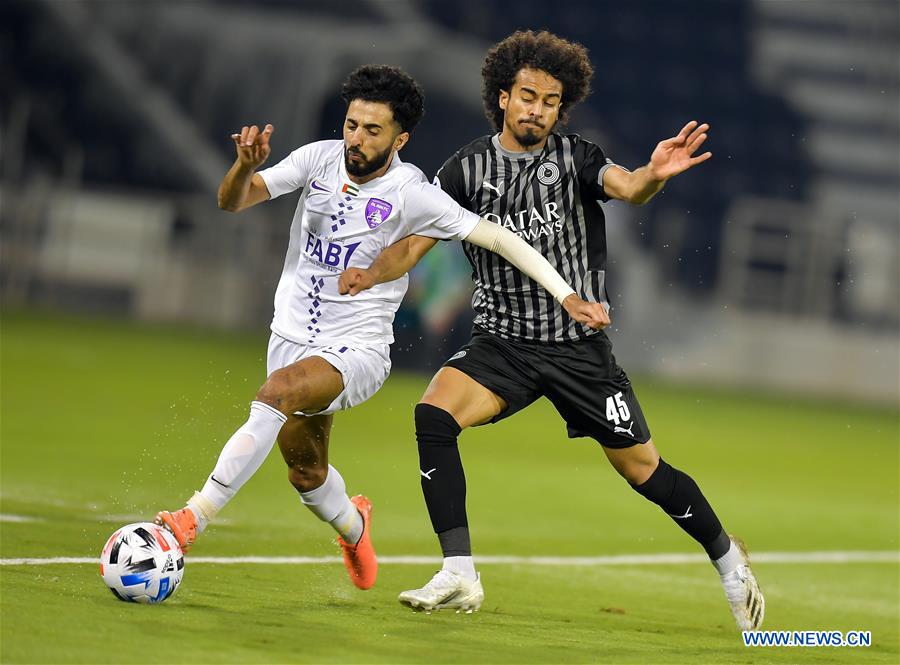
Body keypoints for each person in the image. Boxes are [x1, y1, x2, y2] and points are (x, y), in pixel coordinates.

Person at [339, 32, 764, 629]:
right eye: (528, 96)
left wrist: (655, 174)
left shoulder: (577, 157)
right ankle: (458, 571)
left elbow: (631, 188)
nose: (538, 109)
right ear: (504, 97)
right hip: (502, 344)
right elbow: (414, 245)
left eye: (551, 100)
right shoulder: (464, 169)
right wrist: (368, 273)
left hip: (578, 349)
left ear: (562, 108)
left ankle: (729, 561)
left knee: (643, 471)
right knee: (433, 415)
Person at [154, 64, 609, 592]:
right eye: (352, 125)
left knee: (277, 394)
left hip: (358, 350)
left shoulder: (413, 192)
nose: (356, 139)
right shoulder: (317, 158)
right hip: (290, 338)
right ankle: (354, 524)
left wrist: (567, 295)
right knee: (305, 472)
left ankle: (190, 520)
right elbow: (234, 200)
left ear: (400, 138)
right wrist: (241, 167)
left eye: (372, 131)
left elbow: (501, 239)